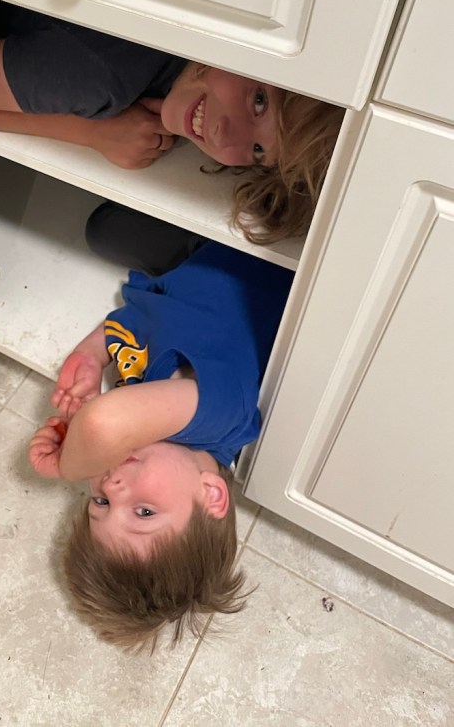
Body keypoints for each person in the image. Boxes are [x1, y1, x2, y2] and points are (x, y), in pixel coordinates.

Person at [28, 242, 294, 652]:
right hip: (261, 242)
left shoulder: (148, 421)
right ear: (211, 495)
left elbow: (135, 325)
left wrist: (91, 354)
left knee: (100, 232)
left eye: (100, 503)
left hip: (185, 265)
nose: (111, 486)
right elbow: (102, 424)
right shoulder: (224, 416)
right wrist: (67, 466)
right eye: (144, 512)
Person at [0, 0, 343, 245]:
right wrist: (94, 132)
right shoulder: (104, 74)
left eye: (258, 150)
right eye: (259, 102)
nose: (224, 137)